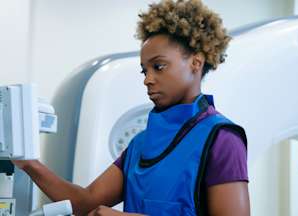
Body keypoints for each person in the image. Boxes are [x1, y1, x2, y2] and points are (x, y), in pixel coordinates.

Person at [13, 0, 250, 215]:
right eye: (144, 70)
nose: (147, 79)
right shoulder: (140, 145)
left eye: (158, 66)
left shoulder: (222, 138)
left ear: (196, 63)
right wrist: (28, 163)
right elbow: (85, 202)